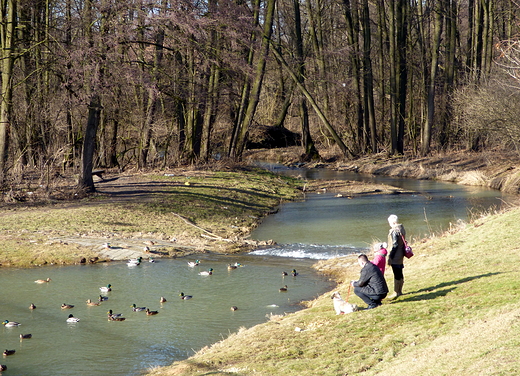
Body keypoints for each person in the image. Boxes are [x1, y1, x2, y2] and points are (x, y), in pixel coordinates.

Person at [387, 214, 406, 299]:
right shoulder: (401, 228)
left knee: (396, 273)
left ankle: (396, 292)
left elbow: (394, 245)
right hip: (401, 253)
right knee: (400, 272)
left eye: (390, 223)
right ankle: (400, 291)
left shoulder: (394, 231)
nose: (389, 224)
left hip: (396, 255)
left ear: (393, 222)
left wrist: (390, 256)